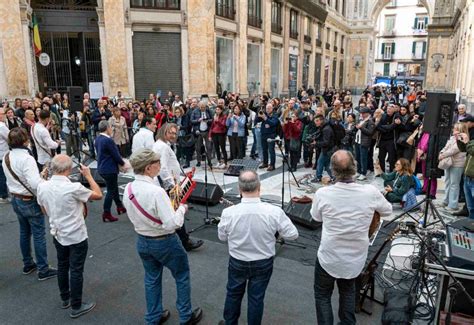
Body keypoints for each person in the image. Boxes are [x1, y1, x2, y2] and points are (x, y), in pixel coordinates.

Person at [310, 150, 392, 324]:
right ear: (354, 168)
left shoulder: (323, 194)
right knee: (348, 292)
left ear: (333, 171)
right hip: (355, 257)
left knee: (322, 296)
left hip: (329, 256)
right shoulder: (370, 192)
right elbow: (388, 211)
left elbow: (316, 218)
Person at [123, 149, 203, 325]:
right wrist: (181, 208)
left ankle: (153, 317)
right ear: (149, 168)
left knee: (151, 279)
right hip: (164, 241)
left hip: (142, 240)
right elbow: (172, 224)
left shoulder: (128, 188)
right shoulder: (156, 192)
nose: (160, 166)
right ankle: (185, 316)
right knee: (181, 275)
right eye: (158, 163)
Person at [218, 170, 298, 325]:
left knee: (233, 294)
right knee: (256, 299)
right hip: (263, 262)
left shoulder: (228, 213)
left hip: (237, 261)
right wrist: (276, 235)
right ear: (259, 187)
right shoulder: (274, 212)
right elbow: (293, 234)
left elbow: (222, 237)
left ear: (240, 189)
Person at [37, 155, 102, 318]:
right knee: (76, 270)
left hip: (57, 232)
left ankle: (65, 298)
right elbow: (98, 194)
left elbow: (43, 210)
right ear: (68, 169)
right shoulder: (74, 188)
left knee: (63, 265)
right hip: (76, 234)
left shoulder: (42, 186)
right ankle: (76, 305)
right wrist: (88, 175)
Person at [2, 127, 57, 280]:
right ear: (25, 140)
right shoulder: (26, 158)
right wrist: (43, 176)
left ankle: (28, 263)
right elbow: (35, 183)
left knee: (24, 232)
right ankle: (43, 269)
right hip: (28, 199)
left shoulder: (7, 156)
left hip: (16, 198)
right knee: (39, 234)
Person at [153, 123, 204, 252]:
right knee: (176, 212)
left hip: (166, 185)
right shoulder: (163, 147)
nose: (173, 135)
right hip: (167, 186)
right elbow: (162, 168)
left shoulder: (161, 145)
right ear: (164, 132)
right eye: (171, 132)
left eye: (175, 133)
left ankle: (179, 239)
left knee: (170, 212)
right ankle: (184, 241)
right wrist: (172, 186)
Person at [95, 120, 127, 222]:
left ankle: (119, 206)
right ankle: (106, 212)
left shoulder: (98, 139)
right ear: (107, 128)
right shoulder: (108, 140)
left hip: (102, 167)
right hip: (109, 169)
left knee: (113, 187)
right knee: (110, 190)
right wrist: (123, 164)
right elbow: (115, 154)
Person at [354, 108, 375, 181]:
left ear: (367, 113)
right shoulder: (361, 120)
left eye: (363, 113)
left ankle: (363, 173)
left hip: (364, 142)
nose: (361, 115)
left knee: (363, 158)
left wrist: (361, 128)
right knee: (358, 157)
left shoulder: (371, 121)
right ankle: (358, 171)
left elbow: (370, 132)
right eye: (361, 113)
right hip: (358, 141)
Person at [457, 130, 474, 219]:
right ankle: (470, 227)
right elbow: (464, 149)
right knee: (470, 208)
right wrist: (459, 140)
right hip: (467, 178)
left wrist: (468, 141)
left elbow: (472, 150)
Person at [258, 103, 279, 171]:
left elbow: (273, 123)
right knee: (264, 150)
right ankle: (265, 163)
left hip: (271, 135)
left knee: (271, 150)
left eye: (269, 108)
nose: (267, 110)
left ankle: (272, 165)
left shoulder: (275, 115)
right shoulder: (264, 114)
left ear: (272, 108)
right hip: (263, 134)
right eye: (266, 108)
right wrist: (259, 116)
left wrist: (265, 118)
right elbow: (256, 121)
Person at [191, 101, 213, 167]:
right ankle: (198, 161)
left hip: (207, 131)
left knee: (208, 147)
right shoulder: (195, 111)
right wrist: (198, 120)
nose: (202, 108)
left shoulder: (208, 111)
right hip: (199, 131)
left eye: (204, 107)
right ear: (199, 106)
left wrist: (207, 121)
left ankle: (209, 161)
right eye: (201, 107)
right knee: (198, 147)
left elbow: (212, 119)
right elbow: (191, 120)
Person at [0, 108, 9, 203]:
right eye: (3, 113)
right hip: (3, 153)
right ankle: (3, 195)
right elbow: (10, 137)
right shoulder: (2, 126)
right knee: (2, 175)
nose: (5, 115)